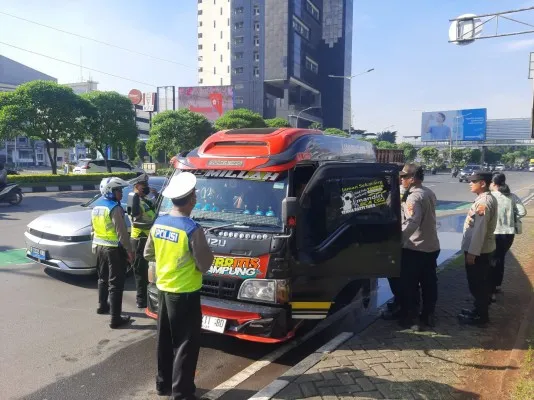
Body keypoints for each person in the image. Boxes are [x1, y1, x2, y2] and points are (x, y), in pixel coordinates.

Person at [144, 172, 214, 399]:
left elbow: (148, 253)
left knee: (164, 339)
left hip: (163, 290)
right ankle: (182, 393)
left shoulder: (159, 223)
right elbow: (204, 265)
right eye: (194, 195)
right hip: (185, 294)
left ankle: (163, 385)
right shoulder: (192, 229)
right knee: (186, 343)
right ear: (192, 199)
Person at [397, 164, 440, 329]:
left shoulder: (413, 197)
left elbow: (412, 221)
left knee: (409, 285)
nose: (401, 180)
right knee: (430, 283)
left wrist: (399, 240)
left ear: (412, 179)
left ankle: (409, 316)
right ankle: (428, 315)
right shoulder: (428, 192)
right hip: (431, 246)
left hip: (415, 248)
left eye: (404, 177)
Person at [91, 177, 135, 329]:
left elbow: (93, 228)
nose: (121, 193)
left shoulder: (97, 206)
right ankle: (115, 319)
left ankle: (102, 305)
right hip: (113, 249)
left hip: (99, 247)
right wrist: (129, 251)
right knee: (116, 284)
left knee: (102, 278)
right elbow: (122, 233)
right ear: (111, 191)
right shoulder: (114, 208)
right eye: (119, 190)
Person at [458, 172, 498, 326]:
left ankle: (481, 318)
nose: (470, 183)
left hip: (479, 252)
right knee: (479, 284)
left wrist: (473, 252)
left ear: (482, 183)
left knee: (478, 285)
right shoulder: (483, 199)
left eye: (473, 181)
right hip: (481, 250)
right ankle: (478, 311)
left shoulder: (484, 202)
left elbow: (479, 229)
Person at [490, 173, 527, 297]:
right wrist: (511, 218)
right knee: (500, 259)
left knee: (490, 260)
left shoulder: (489, 197)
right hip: (508, 234)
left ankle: (490, 290)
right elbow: (522, 211)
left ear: (494, 184)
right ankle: (496, 286)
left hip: (493, 233)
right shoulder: (512, 196)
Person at [129, 173, 159, 308]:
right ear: (136, 186)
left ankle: (149, 298)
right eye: (143, 186)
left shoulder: (144, 199)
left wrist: (157, 195)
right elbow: (136, 222)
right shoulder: (134, 199)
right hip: (140, 240)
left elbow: (155, 211)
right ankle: (141, 301)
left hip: (148, 239)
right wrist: (153, 225)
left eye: (147, 186)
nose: (146, 188)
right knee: (141, 273)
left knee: (150, 271)